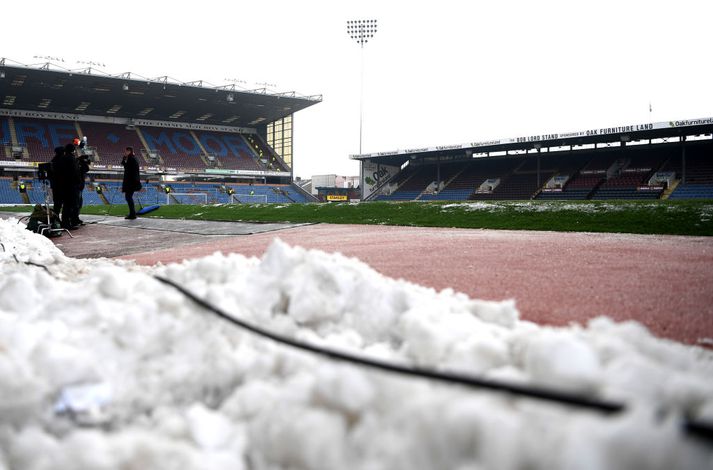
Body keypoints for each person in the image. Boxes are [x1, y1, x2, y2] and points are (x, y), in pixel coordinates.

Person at [50, 146, 80, 229]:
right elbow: (73, 173)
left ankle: (55, 223)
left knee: (57, 206)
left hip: (56, 187)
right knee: (68, 205)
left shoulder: (54, 161)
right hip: (66, 187)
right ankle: (66, 223)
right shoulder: (65, 160)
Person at [121, 146, 141, 219]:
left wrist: (125, 160)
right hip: (132, 182)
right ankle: (132, 214)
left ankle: (132, 214)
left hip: (130, 182)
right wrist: (124, 159)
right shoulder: (133, 158)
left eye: (125, 151)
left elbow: (127, 168)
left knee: (128, 197)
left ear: (129, 151)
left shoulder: (131, 158)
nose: (125, 153)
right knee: (128, 197)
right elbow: (126, 166)